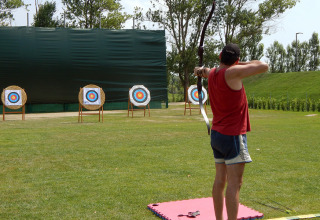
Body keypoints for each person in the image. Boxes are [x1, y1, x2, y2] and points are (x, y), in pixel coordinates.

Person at [194, 43, 269, 220]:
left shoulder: (212, 72)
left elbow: (203, 71)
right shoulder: (232, 72)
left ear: (220, 56)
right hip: (233, 135)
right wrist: (237, 63)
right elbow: (263, 65)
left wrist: (200, 70)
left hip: (217, 134)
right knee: (235, 184)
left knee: (220, 180)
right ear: (236, 60)